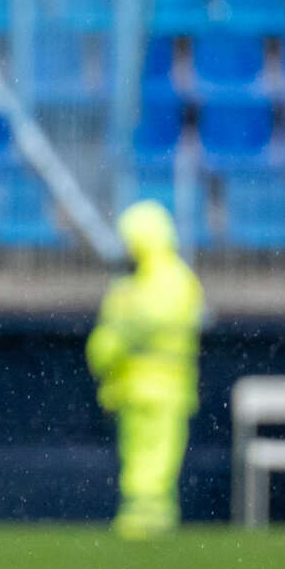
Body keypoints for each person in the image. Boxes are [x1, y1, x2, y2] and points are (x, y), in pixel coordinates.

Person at [86, 201, 204, 539]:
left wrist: (113, 342)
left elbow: (126, 328)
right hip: (140, 387)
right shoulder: (147, 282)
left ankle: (151, 513)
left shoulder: (160, 282)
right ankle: (144, 511)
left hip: (158, 386)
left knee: (157, 453)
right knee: (143, 452)